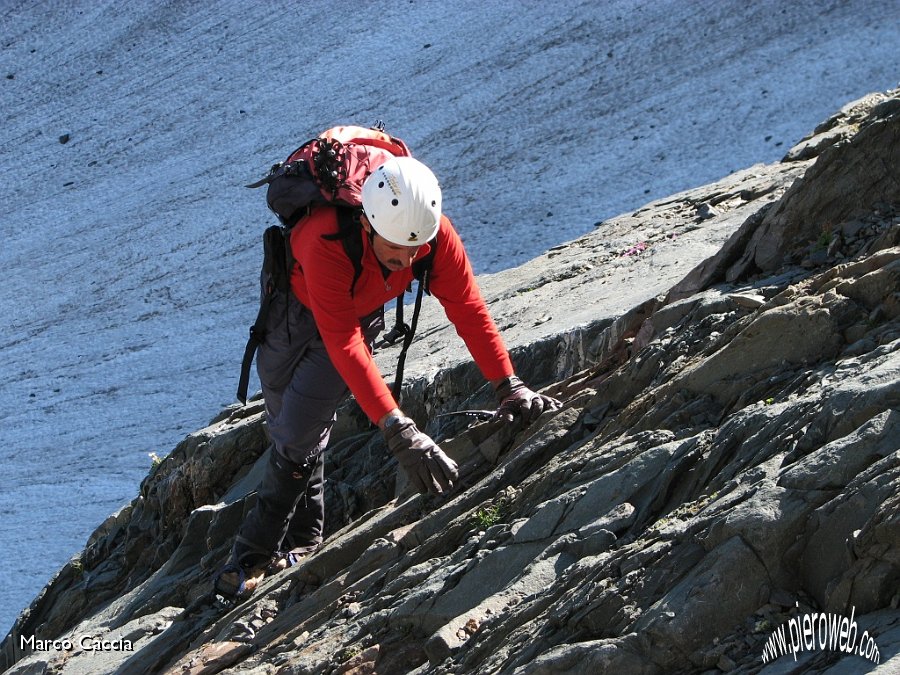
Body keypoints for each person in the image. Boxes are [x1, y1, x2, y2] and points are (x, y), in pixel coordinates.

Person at [215, 156, 560, 597]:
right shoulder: (325, 238)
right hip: (292, 306)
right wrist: (399, 428)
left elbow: (469, 310)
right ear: (367, 224)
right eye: (395, 250)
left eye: (415, 251)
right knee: (285, 419)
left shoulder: (433, 237)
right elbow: (342, 340)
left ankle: (251, 556)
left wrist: (508, 385)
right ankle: (303, 540)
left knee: (299, 425)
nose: (405, 261)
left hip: (354, 313)